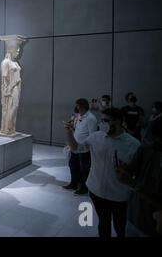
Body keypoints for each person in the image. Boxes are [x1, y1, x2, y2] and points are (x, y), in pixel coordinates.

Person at [65, 107, 140, 237]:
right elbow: (77, 148)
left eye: (106, 120)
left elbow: (138, 173)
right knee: (104, 222)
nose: (102, 123)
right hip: (96, 191)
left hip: (119, 195)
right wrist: (69, 132)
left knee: (119, 225)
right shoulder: (96, 137)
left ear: (118, 121)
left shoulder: (133, 144)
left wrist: (127, 176)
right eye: (102, 120)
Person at [115, 117, 162, 236]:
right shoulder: (147, 149)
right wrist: (124, 170)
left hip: (152, 225)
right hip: (134, 215)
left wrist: (132, 183)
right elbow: (132, 169)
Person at [63, 98, 97, 195]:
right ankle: (74, 183)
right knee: (73, 165)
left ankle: (84, 187)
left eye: (78, 106)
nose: (76, 108)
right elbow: (77, 131)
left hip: (84, 149)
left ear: (82, 106)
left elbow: (92, 135)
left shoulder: (91, 118)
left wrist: (86, 146)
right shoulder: (78, 117)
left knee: (84, 169)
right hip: (75, 147)